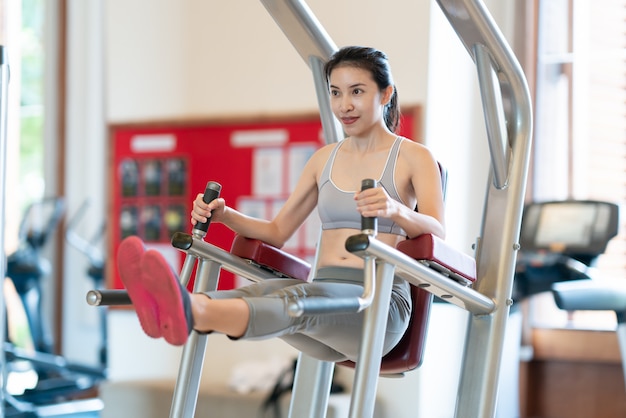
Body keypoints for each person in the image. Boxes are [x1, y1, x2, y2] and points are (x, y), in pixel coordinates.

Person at [117, 46, 445, 362]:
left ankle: (188, 309)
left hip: (376, 305)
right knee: (267, 291)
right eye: (335, 93)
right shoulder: (323, 160)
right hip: (324, 299)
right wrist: (225, 216)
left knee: (295, 298)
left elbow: (437, 234)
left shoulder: (414, 157)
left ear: (386, 94)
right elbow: (276, 231)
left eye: (356, 91)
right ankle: (178, 309)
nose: (344, 105)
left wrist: (395, 209)